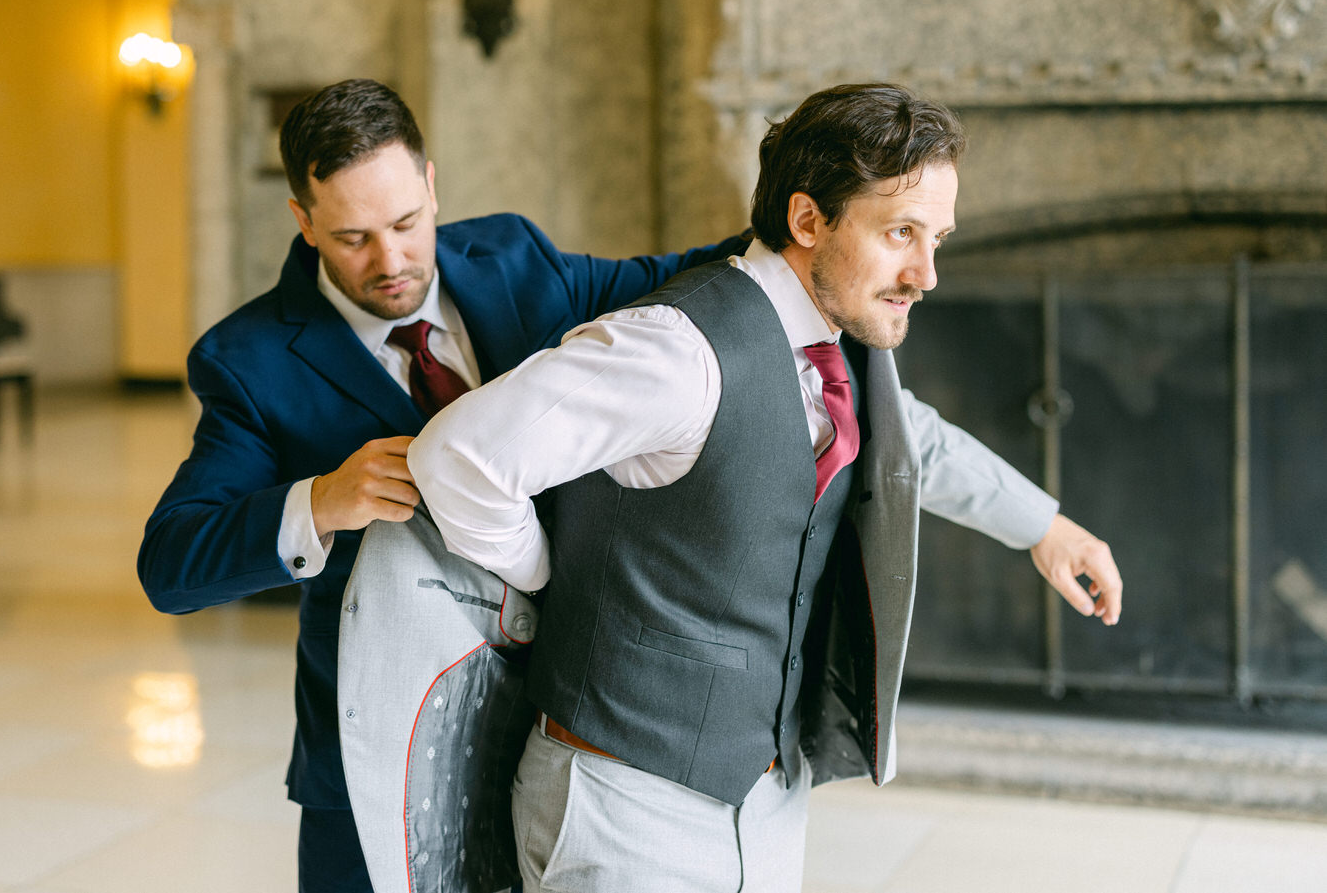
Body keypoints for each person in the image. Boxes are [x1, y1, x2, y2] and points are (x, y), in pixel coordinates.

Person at [409, 82, 1124, 893]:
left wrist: (1045, 526)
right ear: (808, 219)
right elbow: (460, 457)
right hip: (625, 802)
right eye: (900, 233)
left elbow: (913, 439)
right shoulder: (673, 352)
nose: (926, 273)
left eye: (937, 238)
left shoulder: (842, 341)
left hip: (767, 795)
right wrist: (545, 571)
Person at [136, 78, 746, 893]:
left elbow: (674, 276)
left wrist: (807, 230)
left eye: (404, 223)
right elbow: (170, 564)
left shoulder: (513, 255)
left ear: (431, 184)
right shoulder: (246, 360)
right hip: (380, 743)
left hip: (561, 714)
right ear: (302, 220)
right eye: (352, 237)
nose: (390, 261)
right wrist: (320, 501)